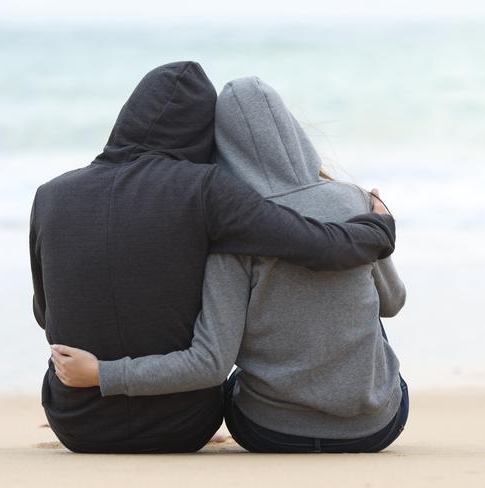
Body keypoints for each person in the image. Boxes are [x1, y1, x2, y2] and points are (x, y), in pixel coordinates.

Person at [31, 64, 396, 453]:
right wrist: (380, 227)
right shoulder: (204, 190)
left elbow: (44, 313)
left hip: (75, 421)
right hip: (184, 425)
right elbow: (317, 245)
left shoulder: (50, 195)